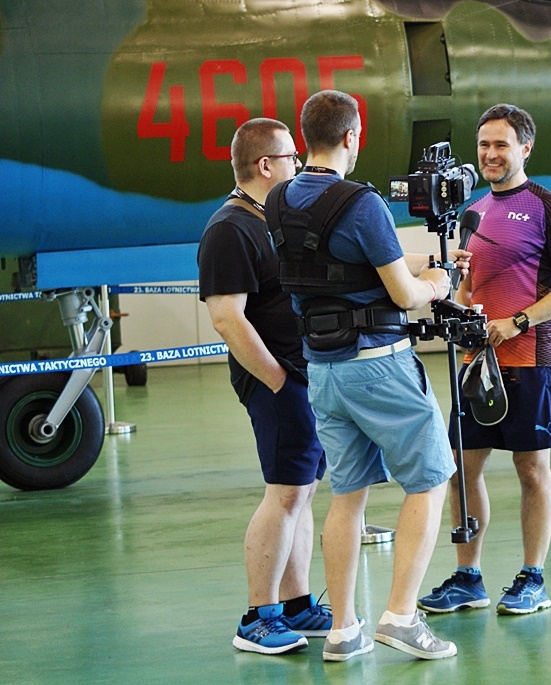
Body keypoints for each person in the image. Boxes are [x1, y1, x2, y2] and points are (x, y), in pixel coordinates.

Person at [269, 90, 463, 660]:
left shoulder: (279, 199)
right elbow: (403, 294)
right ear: (353, 136)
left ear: (305, 136)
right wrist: (438, 284)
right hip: (378, 366)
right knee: (430, 479)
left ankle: (342, 630)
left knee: (347, 494)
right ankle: (400, 616)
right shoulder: (362, 202)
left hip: (323, 371)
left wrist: (413, 269)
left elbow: (342, 266)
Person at [417, 104, 551, 616]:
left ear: (525, 149)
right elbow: (468, 289)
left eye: (501, 145)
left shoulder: (546, 207)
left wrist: (518, 322)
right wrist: (456, 301)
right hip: (478, 364)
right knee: (460, 470)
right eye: (484, 145)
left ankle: (533, 578)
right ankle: (468, 578)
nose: (490, 154)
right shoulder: (474, 211)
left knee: (531, 468)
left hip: (530, 358)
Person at [197, 118, 331, 655]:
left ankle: (296, 603)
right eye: (292, 157)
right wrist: (277, 380)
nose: (299, 164)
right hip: (276, 382)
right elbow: (227, 318)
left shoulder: (272, 219)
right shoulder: (229, 229)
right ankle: (258, 616)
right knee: (284, 493)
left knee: (303, 491)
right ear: (266, 164)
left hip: (304, 375)